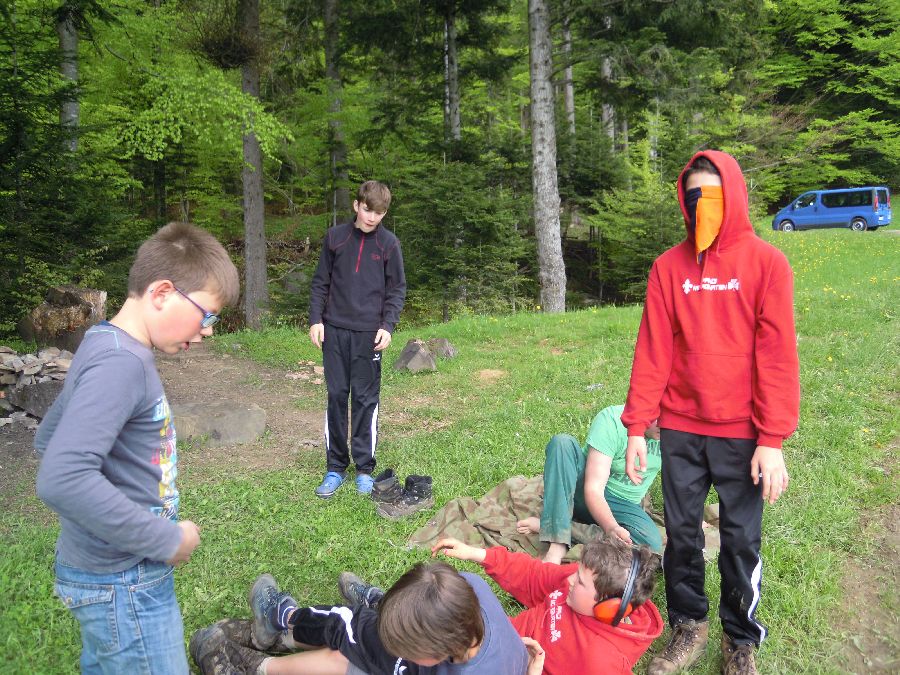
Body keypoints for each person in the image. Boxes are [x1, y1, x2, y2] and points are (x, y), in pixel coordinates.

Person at [621, 151, 799, 675]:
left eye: (713, 196)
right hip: (680, 427)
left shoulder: (767, 264)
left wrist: (772, 440)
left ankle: (740, 639)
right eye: (693, 196)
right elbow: (653, 349)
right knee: (682, 534)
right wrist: (636, 427)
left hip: (743, 433)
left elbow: (777, 356)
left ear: (735, 196)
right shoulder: (668, 267)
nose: (703, 206)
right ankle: (688, 625)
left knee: (740, 540)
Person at [35, 222, 240, 674]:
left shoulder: (103, 342)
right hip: (124, 579)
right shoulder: (121, 364)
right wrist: (165, 539)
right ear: (162, 293)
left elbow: (48, 438)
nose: (208, 331)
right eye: (207, 315)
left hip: (106, 571)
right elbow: (61, 476)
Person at [189, 562, 530, 675]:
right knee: (362, 633)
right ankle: (378, 604)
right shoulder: (470, 586)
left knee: (349, 636)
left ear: (436, 652)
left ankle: (265, 651)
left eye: (405, 646)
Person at [432, 535, 663, 675]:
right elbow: (535, 575)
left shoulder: (601, 663)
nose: (570, 579)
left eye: (580, 582)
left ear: (607, 608)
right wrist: (477, 554)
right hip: (499, 633)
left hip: (505, 665)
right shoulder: (580, 581)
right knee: (460, 587)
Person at [309, 180, 407, 499]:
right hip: (335, 330)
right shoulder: (335, 238)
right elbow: (320, 282)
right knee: (337, 395)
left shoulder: (389, 244)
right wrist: (316, 320)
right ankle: (335, 467)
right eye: (367, 210)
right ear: (356, 205)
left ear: (385, 213)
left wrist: (388, 325)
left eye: (379, 213)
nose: (372, 217)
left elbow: (397, 289)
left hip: (369, 335)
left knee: (365, 399)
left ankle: (364, 469)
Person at [516, 404, 664, 563]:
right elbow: (594, 490)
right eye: (657, 414)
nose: (663, 423)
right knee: (562, 443)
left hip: (624, 505)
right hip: (582, 491)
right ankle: (557, 542)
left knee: (651, 546)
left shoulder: (675, 432)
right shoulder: (613, 420)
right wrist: (611, 527)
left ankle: (554, 527)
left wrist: (614, 529)